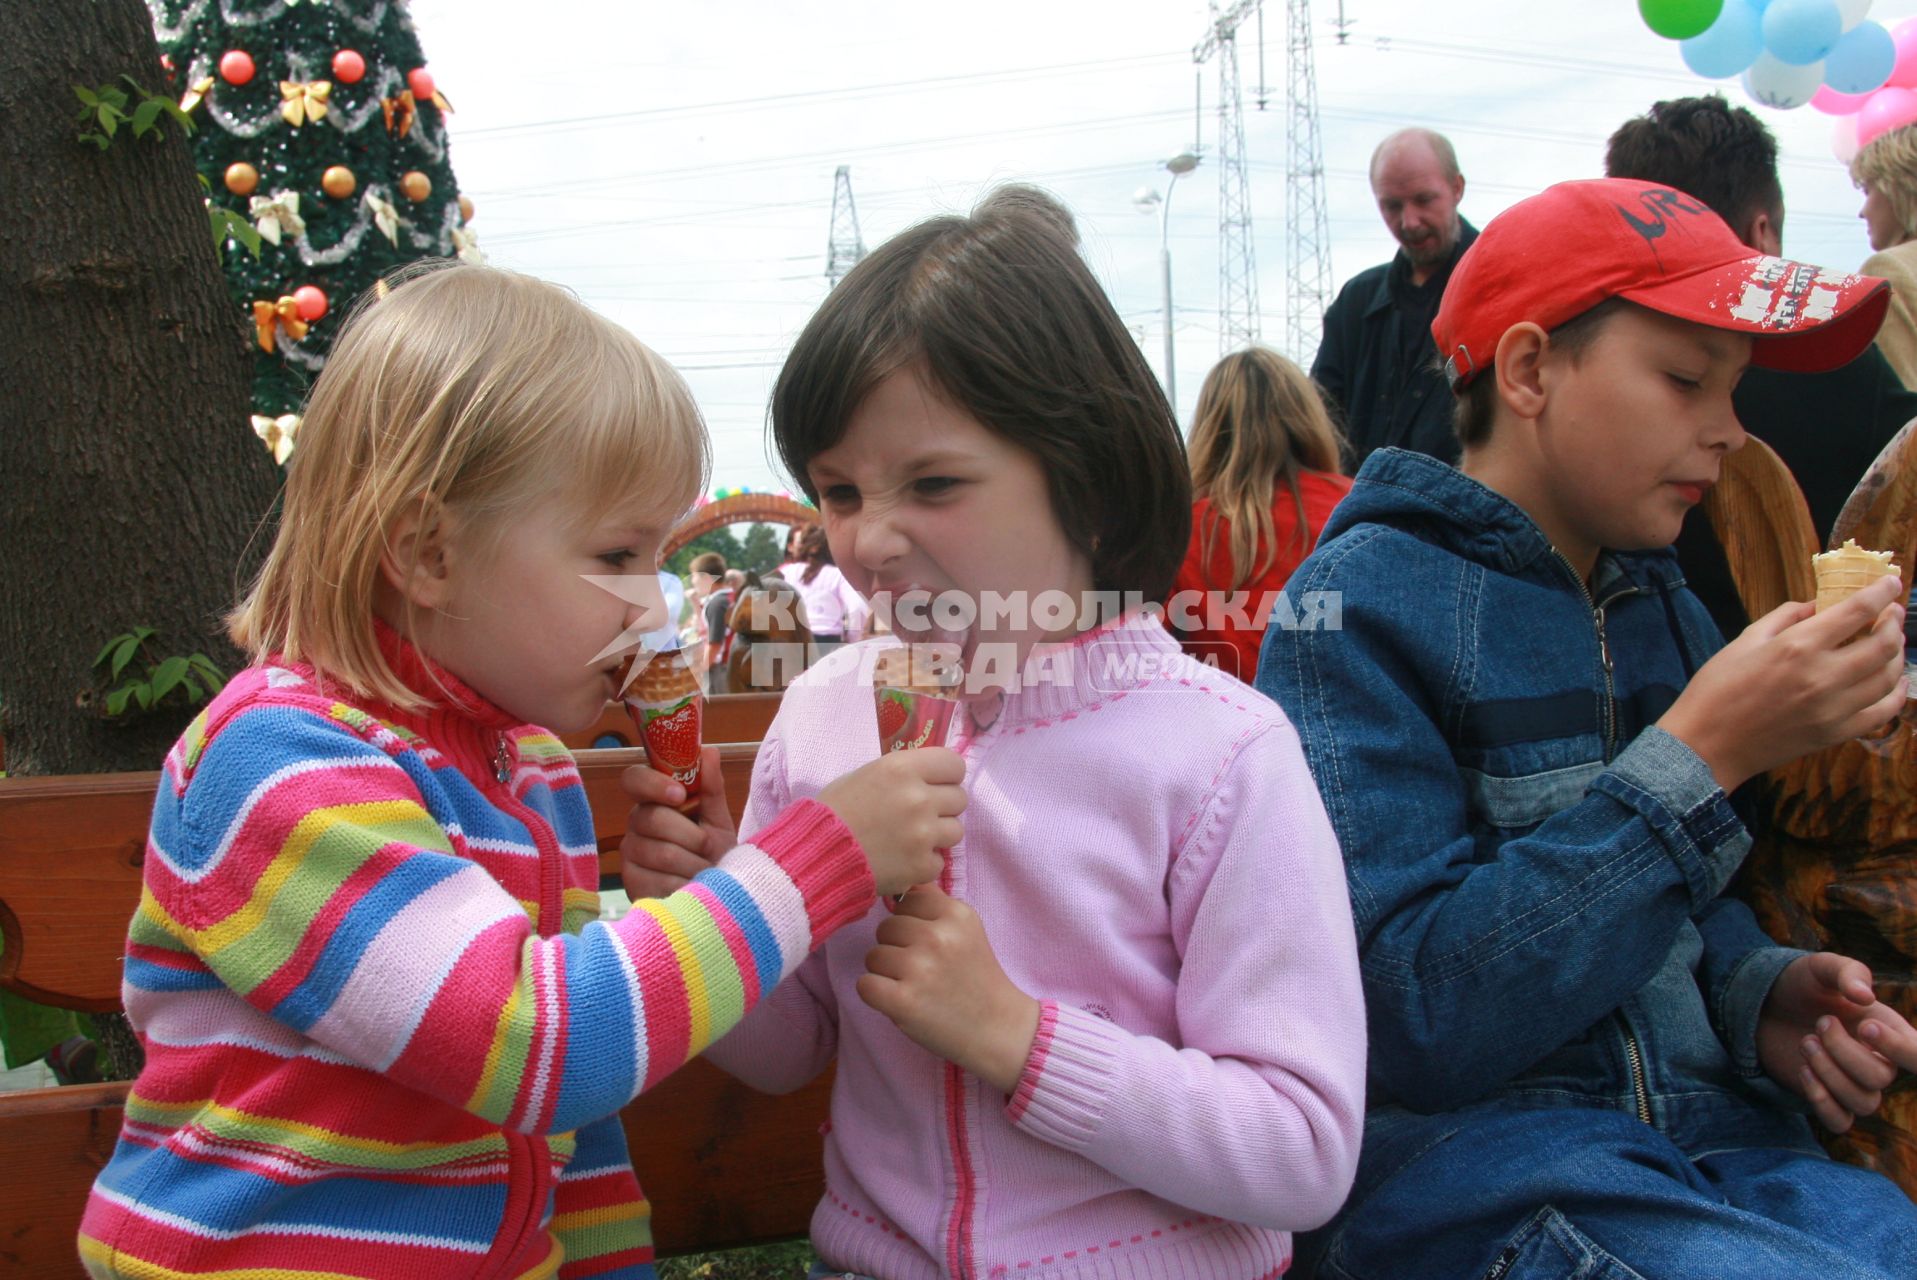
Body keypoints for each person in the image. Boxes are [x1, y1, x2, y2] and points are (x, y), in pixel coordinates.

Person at [75, 263, 965, 1280]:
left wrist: (704, 882)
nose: (651, 610)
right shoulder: (282, 764)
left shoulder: (529, 770)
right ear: (429, 553)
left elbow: (567, 1142)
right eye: (620, 554)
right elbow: (543, 1046)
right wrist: (817, 858)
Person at [623, 186, 1366, 1280]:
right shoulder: (823, 716)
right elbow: (790, 1051)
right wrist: (711, 903)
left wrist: (1020, 1034)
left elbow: (1302, 1149)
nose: (869, 538)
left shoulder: (1220, 756)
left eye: (934, 483)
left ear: (1091, 482)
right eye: (837, 489)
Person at [1259, 178, 1917, 1278]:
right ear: (1527, 371)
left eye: (1737, 387)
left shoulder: (1665, 602)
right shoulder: (1360, 615)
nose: (1729, 431)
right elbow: (1412, 1011)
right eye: (1684, 379)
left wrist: (1760, 995)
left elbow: (1691, 918)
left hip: (1722, 1145)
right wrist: (1700, 760)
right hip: (1489, 1169)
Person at [1605, 94, 1917, 638]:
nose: (1727, 432)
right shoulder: (1842, 373)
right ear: (1760, 233)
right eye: (1684, 381)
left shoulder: (1582, 397)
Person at [1170, 346, 1350, 681]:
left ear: (1209, 426)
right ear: (1308, 416)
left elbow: (1151, 650)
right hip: (1346, 722)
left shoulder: (1182, 530)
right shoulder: (1355, 507)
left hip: (1230, 723)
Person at [1313, 128, 1478, 468]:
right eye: (1391, 206)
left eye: (1423, 200)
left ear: (1457, 188)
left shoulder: (1498, 284)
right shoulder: (1355, 304)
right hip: (1361, 515)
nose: (1409, 221)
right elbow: (1316, 426)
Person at [1853, 123, 1917, 389]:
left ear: (1896, 188)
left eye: (1867, 191)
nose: (1862, 212)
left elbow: (1903, 416)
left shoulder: (1889, 270)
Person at [780, 524, 868, 657]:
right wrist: (852, 639)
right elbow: (858, 609)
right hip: (827, 645)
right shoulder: (838, 575)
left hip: (792, 643)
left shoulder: (789, 572)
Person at [688, 550, 734, 693]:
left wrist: (699, 671)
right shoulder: (727, 598)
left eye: (694, 576)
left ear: (707, 578)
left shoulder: (717, 604)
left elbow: (715, 643)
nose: (692, 581)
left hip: (721, 671)